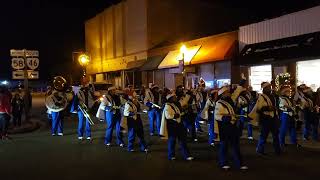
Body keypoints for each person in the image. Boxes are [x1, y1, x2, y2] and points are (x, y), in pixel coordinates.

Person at [215, 86, 247, 170]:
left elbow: (236, 92)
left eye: (228, 92)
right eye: (227, 92)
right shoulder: (219, 103)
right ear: (222, 94)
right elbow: (217, 115)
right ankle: (223, 163)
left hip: (232, 126)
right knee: (224, 145)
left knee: (235, 145)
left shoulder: (230, 101)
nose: (229, 93)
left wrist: (242, 82)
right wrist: (225, 118)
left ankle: (239, 163)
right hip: (224, 126)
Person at [249, 82, 281, 155]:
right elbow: (259, 108)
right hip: (266, 118)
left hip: (273, 118)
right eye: (268, 87)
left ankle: (277, 150)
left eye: (270, 87)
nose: (270, 88)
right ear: (265, 88)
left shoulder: (272, 96)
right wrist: (268, 108)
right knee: (264, 135)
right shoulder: (261, 97)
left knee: (275, 134)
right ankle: (260, 150)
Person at [160, 93, 193, 161]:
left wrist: (183, 112)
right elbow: (168, 115)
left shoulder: (175, 104)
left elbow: (179, 113)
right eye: (174, 97)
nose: (175, 97)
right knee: (172, 141)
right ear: (171, 98)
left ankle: (186, 155)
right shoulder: (167, 106)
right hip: (172, 125)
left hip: (179, 124)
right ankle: (171, 155)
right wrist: (175, 115)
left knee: (183, 140)